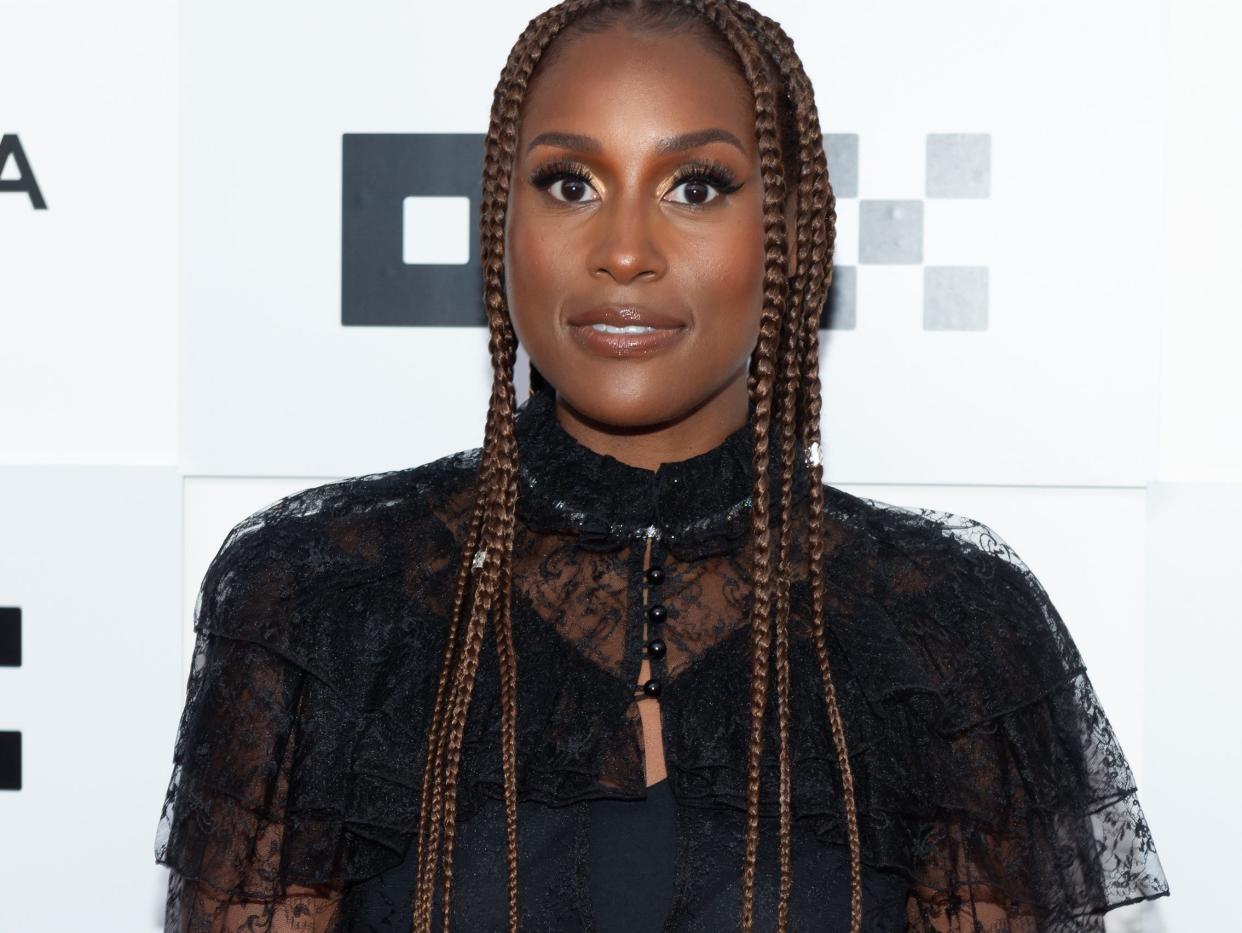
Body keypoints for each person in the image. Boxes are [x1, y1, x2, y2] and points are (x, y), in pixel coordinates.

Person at [152, 1, 1170, 930]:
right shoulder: (321, 604)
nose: (625, 249)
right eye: (570, 182)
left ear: (791, 233)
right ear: (503, 227)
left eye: (695, 185)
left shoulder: (950, 633)